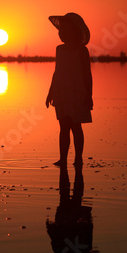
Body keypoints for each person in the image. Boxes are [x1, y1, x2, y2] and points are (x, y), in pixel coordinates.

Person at [46, 13, 93, 167]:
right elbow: (56, 72)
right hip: (61, 92)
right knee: (63, 127)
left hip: (77, 93)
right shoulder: (59, 49)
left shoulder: (81, 51)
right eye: (61, 30)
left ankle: (78, 159)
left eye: (66, 30)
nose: (62, 33)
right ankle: (63, 159)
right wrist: (50, 93)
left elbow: (87, 75)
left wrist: (89, 96)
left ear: (74, 31)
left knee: (76, 126)